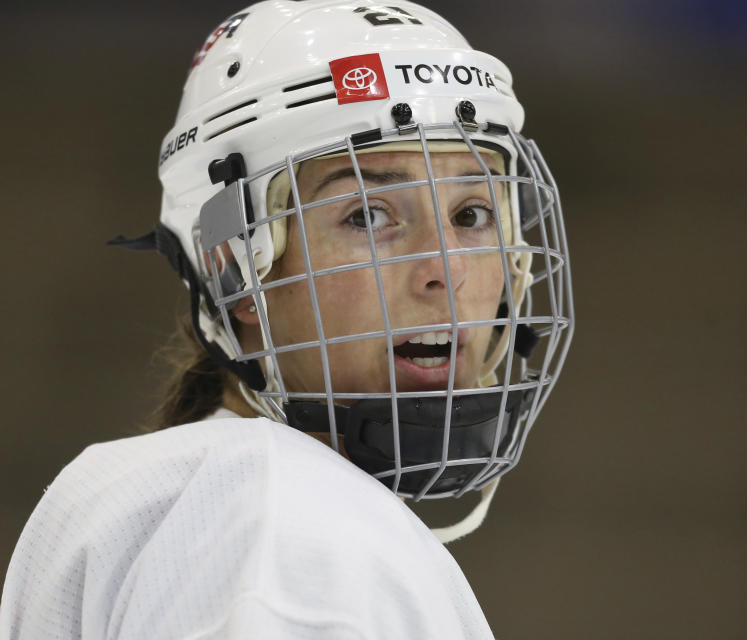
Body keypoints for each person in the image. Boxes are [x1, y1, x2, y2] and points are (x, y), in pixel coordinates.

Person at [0, 1, 573, 637]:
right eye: (368, 216)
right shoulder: (282, 520)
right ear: (235, 265)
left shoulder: (197, 502)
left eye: (472, 215)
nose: (446, 269)